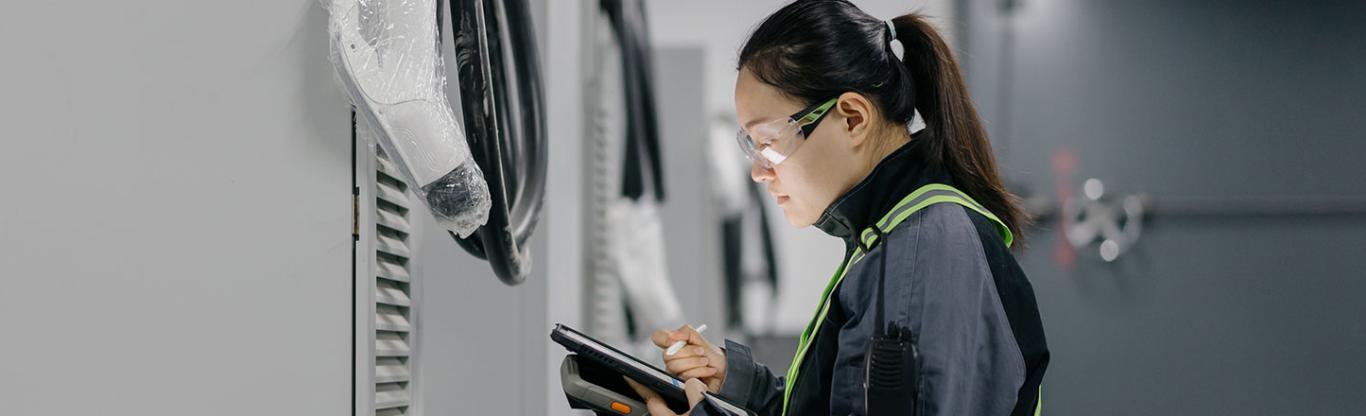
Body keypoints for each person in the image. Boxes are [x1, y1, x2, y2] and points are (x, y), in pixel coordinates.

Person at [624, 1, 1049, 415]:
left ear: (851, 118)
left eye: (769, 143)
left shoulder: (925, 253)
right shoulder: (892, 238)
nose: (757, 171)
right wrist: (740, 382)